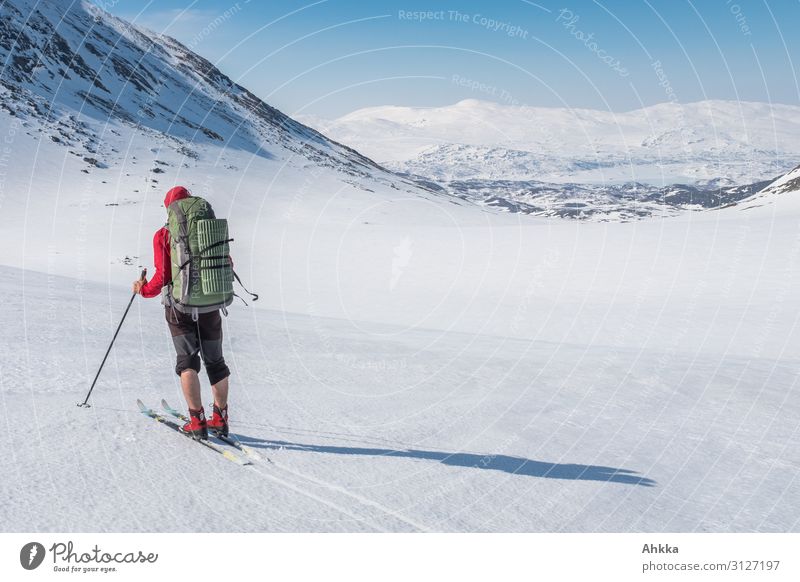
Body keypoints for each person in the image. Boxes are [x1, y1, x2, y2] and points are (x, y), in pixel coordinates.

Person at [132, 186, 230, 440]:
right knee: (216, 362)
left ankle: (197, 422)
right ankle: (220, 418)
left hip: (179, 308)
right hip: (211, 302)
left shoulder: (164, 235)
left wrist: (143, 290)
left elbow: (164, 275)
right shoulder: (208, 232)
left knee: (187, 362)